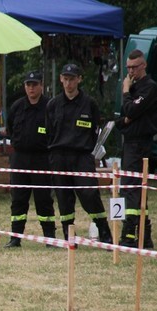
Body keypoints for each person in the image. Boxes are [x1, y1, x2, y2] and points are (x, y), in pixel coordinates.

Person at [46, 63, 112, 244]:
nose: (68, 84)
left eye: (72, 79)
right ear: (61, 79)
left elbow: (96, 131)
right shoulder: (53, 104)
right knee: (64, 199)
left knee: (89, 194)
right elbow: (49, 132)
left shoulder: (89, 104)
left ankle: (104, 230)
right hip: (59, 156)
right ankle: (69, 236)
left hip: (82, 156)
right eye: (65, 79)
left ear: (79, 80)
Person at [116, 49, 157, 249]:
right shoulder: (134, 89)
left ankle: (129, 234)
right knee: (131, 187)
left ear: (143, 66)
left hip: (140, 144)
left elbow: (132, 110)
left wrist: (126, 93)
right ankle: (145, 235)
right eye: (128, 68)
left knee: (132, 188)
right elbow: (122, 118)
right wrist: (127, 116)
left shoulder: (149, 88)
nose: (131, 71)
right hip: (129, 142)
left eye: (134, 67)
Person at [4, 70, 57, 248]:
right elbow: (10, 128)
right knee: (18, 199)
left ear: (41, 85)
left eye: (34, 84)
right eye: (28, 84)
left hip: (42, 158)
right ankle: (15, 237)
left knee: (44, 199)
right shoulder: (17, 107)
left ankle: (49, 237)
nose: (31, 88)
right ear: (25, 86)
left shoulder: (50, 106)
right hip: (20, 158)